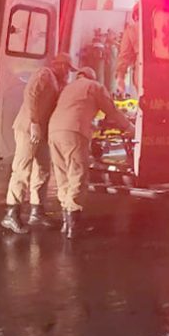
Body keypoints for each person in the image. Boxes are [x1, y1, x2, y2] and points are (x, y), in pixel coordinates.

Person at [49, 67, 135, 239]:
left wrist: (91, 123)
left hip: (54, 131)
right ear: (92, 77)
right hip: (74, 131)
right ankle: (73, 225)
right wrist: (129, 127)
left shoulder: (68, 88)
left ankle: (66, 222)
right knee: (77, 175)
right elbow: (112, 111)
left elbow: (75, 109)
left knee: (63, 175)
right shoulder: (94, 86)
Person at [1, 52, 74, 234]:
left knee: (42, 169)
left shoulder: (57, 82)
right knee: (22, 169)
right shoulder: (45, 74)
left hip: (39, 131)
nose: (67, 72)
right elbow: (31, 93)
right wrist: (34, 122)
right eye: (66, 68)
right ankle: (11, 213)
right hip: (28, 128)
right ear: (59, 64)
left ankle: (37, 211)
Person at [114, 2, 139, 98]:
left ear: (136, 15)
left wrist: (120, 77)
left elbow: (125, 56)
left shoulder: (132, 29)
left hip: (143, 71)